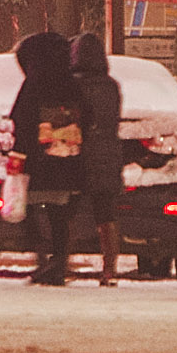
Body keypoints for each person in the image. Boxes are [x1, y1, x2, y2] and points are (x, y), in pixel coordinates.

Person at [9, 31, 88, 288]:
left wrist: (19, 154)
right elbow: (88, 117)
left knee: (29, 208)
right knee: (59, 213)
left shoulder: (33, 83)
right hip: (67, 160)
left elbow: (20, 119)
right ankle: (59, 259)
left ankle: (42, 257)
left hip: (37, 159)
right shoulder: (71, 83)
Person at [72, 32, 127, 288]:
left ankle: (63, 260)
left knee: (69, 208)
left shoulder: (73, 84)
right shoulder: (111, 86)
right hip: (107, 154)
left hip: (79, 154)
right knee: (106, 213)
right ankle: (109, 268)